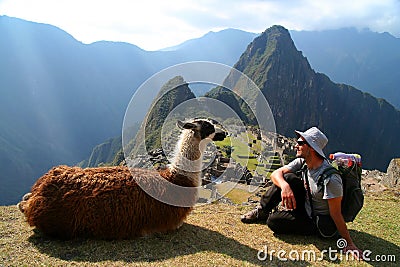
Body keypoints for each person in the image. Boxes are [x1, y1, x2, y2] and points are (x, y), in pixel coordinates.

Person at [241, 127, 363, 259]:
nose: (295, 146)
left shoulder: (331, 179)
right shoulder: (303, 161)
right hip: (305, 205)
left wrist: (349, 243)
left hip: (315, 221)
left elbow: (336, 214)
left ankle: (277, 217)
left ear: (311, 147)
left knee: (274, 221)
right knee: (287, 178)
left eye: (300, 143)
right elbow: (276, 173)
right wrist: (285, 187)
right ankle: (262, 211)